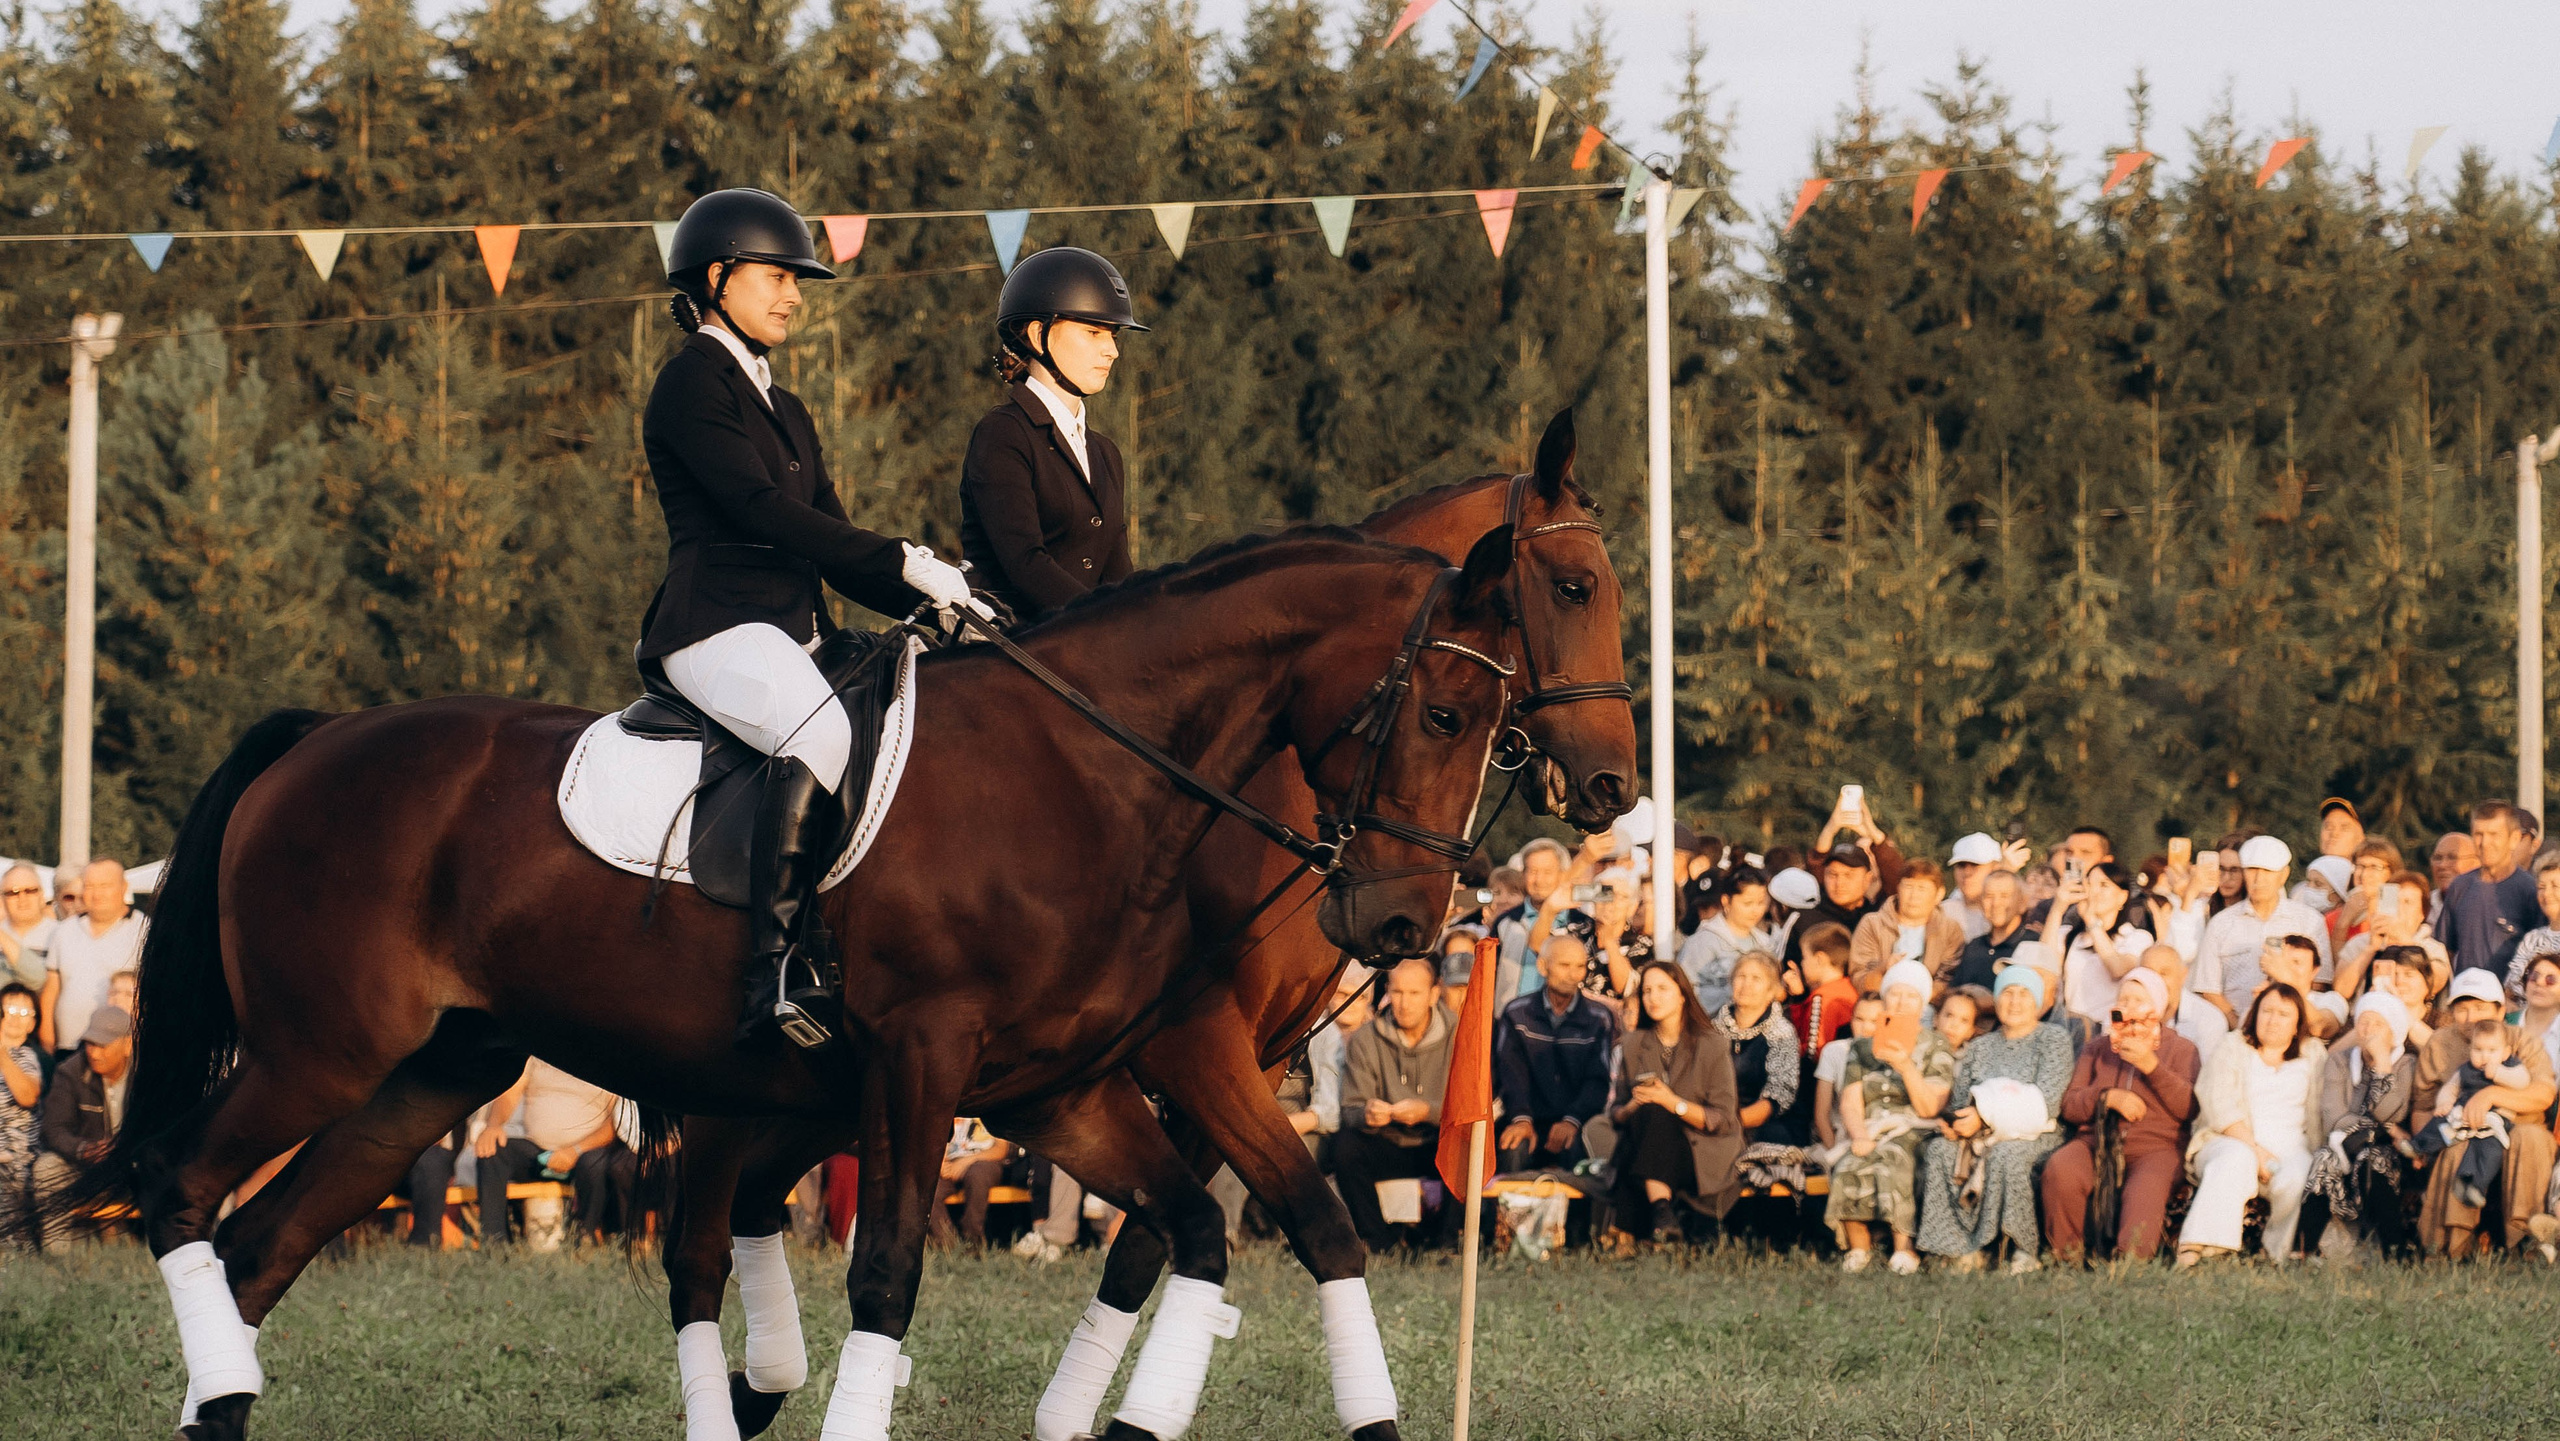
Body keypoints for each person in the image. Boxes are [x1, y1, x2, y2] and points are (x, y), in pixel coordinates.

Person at [641, 187, 978, 1045]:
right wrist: (900, 555)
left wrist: (939, 603)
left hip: (795, 628)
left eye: (799, 280)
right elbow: (758, 510)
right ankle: (775, 968)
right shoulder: (689, 384)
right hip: (714, 626)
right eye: (777, 276)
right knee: (819, 734)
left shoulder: (785, 408)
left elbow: (828, 533)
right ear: (718, 278)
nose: (794, 294)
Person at [959, 247, 1143, 622]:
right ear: (1037, 335)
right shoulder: (1003, 435)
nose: (1112, 351)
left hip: (1080, 647)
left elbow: (1117, 573)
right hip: (1008, 647)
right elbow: (1026, 564)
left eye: (1113, 336)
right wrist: (1104, 625)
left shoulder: (1105, 453)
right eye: (1093, 332)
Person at [1917, 966, 2074, 1272]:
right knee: (1939, 1151)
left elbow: (2048, 1103)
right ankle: (1957, 1247)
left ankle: (2022, 1247)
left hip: (2038, 1135)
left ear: (2038, 1002)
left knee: (2007, 1154)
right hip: (1979, 1135)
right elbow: (1962, 1100)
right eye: (2007, 993)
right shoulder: (1980, 1046)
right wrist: (1955, 1123)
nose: (2014, 1002)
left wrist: (1984, 1116)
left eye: (2024, 994)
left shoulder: (2053, 1040)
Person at [2039, 970, 2201, 1263]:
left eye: (2139, 999)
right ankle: (2068, 1259)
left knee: (2145, 1193)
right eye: (2123, 998)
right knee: (2061, 1169)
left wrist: (2152, 1066)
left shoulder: (2182, 1048)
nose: (2129, 1005)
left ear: (2160, 1005)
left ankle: (2129, 1268)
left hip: (2157, 1147)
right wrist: (2107, 1098)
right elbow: (2071, 1105)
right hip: (2097, 1142)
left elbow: (2189, 1107)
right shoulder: (2098, 1048)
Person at [2411, 969, 2558, 1257]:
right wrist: (2422, 1146)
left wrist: (2490, 1094)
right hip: (2464, 1127)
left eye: (2480, 1008)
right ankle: (2450, 1248)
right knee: (2456, 1149)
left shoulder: (2522, 1040)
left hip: (2519, 1123)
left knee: (2530, 1141)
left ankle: (2526, 1243)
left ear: (2500, 1010)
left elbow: (2543, 1093)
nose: (2471, 1017)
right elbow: (2423, 1104)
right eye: (2462, 1009)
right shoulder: (2440, 1043)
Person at [2177, 982, 2326, 1265]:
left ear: (2297, 1025)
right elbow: (2218, 1103)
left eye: (2283, 1014)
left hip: (2292, 1146)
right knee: (2236, 1158)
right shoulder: (2232, 1045)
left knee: (2300, 1175)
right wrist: (2256, 1151)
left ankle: (2275, 1255)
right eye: (2266, 1011)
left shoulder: (2314, 1055)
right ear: (2254, 1014)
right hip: (2229, 1139)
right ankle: (2197, 1249)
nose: (2272, 1020)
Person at [1825, 961, 1956, 1274]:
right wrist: (1858, 1135)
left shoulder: (1936, 1043)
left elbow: (1930, 1107)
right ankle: (1859, 1248)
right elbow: (1851, 1102)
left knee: (1895, 1159)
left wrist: (1905, 1066)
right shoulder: (1862, 1046)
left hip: (1915, 1126)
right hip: (1869, 1127)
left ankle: (1904, 1248)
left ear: (1922, 1002)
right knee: (1850, 1163)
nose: (1901, 1002)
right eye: (1895, 994)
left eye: (1910, 996)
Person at [1601, 961, 1740, 1250]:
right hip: (1648, 1143)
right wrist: (1631, 1109)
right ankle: (1662, 1212)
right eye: (1647, 991)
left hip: (1701, 1147)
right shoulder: (1633, 1043)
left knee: (1657, 1113)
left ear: (1682, 994)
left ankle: (1626, 1228)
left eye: (1663, 988)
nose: (1653, 997)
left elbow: (1724, 1119)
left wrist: (1673, 1103)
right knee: (1648, 1114)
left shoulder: (1711, 1043)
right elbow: (1615, 1112)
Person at [1336, 958, 1457, 1250]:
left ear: (1433, 994)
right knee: (1346, 1147)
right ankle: (1379, 1240)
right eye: (1398, 992)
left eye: (1414, 993)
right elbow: (1350, 1109)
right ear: (1387, 991)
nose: (1404, 1003)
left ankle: (1447, 1241)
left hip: (1437, 1142)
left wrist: (1429, 1111)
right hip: (1388, 1141)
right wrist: (1367, 1113)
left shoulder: (1459, 1034)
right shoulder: (1367, 1038)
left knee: (1464, 1147)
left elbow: (1472, 1108)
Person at [2298, 990, 2418, 1261]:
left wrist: (2383, 1065)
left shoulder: (2406, 1064)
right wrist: (2382, 1128)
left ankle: (2394, 1251)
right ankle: (2303, 1250)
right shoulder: (2339, 1061)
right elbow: (2333, 1118)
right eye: (2363, 1022)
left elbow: (2390, 1111)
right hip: (2341, 1147)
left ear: (2394, 1031)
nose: (2368, 1030)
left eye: (2378, 1024)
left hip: (2388, 1155)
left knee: (2373, 1157)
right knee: (2323, 1158)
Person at [474, 1059, 636, 1245]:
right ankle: (495, 1241)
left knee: (594, 1163)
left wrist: (574, 1151)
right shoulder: (536, 1055)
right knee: (492, 1151)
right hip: (538, 1151)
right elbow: (509, 1095)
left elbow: (613, 1123)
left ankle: (584, 1237)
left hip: (586, 1152)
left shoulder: (605, 1059)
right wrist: (494, 1125)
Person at [1492, 937, 1615, 1174]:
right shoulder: (1517, 1013)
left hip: (1578, 1121)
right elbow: (1510, 1074)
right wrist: (1522, 1118)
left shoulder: (1599, 1017)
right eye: (1565, 965)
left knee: (1580, 1152)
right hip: (1528, 1118)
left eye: (1579, 966)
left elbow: (1597, 1080)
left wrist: (1572, 1120)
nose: (1573, 974)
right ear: (1542, 966)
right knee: (1513, 1147)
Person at [2194, 836, 2330, 1028]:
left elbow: (2319, 983)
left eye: (2267, 871)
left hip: (2294, 1032)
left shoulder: (2309, 921)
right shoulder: (2221, 923)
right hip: (2235, 1031)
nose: (2258, 879)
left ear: (2283, 875)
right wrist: (2242, 1029)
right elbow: (2209, 989)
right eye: (2252, 870)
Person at [33, 1006, 130, 1253]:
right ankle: (57, 1256)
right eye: (90, 1043)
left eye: (103, 1044)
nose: (94, 1053)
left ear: (127, 1045)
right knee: (46, 1168)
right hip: (86, 1167)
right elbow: (53, 1128)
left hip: (136, 1167)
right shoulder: (69, 1072)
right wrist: (82, 1149)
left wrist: (129, 1149)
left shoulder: (149, 1074)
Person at [2414, 1019, 2530, 1214]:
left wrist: (2499, 1073)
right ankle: (2418, 1146)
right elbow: (2451, 1087)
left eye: (2492, 1051)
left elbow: (2523, 1081)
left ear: (2505, 1052)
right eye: (2478, 1050)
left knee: (2488, 1152)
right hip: (2463, 1117)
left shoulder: (2510, 1066)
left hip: (2493, 1123)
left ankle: (2475, 1185)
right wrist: (2444, 1102)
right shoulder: (2466, 1069)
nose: (2484, 1056)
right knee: (2440, 1125)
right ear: (2471, 1050)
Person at [37, 859, 143, 1060]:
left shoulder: (144, 930)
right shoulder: (64, 931)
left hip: (119, 1050)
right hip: (67, 1047)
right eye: (90, 886)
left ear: (124, 887)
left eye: (105, 886)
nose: (96, 893)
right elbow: (51, 990)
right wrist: (47, 1036)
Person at [2437, 800, 2540, 983]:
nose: (2484, 843)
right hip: (2465, 1000)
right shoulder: (2460, 886)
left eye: (2494, 835)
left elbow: (2539, 955)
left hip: (2509, 1002)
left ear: (2514, 839)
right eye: (2478, 834)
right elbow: (2445, 950)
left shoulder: (2529, 890)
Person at [2052, 861, 2156, 1031]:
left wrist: (2091, 920)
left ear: (2123, 897)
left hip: (2108, 1031)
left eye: (2103, 885)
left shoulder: (2137, 938)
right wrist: (2058, 907)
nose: (2094, 891)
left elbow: (2118, 969)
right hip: (2068, 1028)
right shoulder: (2069, 935)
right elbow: (2043, 963)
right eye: (2089, 884)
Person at [1713, 953, 1801, 1144]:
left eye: (1756, 979)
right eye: (1741, 977)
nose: (1747, 985)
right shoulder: (1712, 1029)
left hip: (1762, 1126)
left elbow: (1778, 1097)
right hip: (1712, 1116)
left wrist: (1730, 1123)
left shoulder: (1781, 1032)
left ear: (1771, 991)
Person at [1849, 859, 1965, 996]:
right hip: (1878, 1002)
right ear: (1898, 888)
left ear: (1939, 894)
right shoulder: (1872, 924)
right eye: (1908, 886)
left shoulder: (1950, 929)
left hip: (1930, 1006)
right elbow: (1859, 977)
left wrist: (1915, 997)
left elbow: (1949, 980)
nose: (1913, 896)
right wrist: (1883, 968)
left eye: (1922, 888)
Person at [2334, 869, 2445, 1000]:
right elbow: (2340, 992)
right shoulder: (2360, 943)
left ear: (2422, 913)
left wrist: (2405, 941)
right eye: (2394, 901)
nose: (2399, 908)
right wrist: (2370, 949)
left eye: (2407, 902)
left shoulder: (2433, 949)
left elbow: (2436, 984)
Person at [1679, 866, 1775, 1016]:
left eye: (1760, 903)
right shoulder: (1703, 941)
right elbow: (1684, 990)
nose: (1755, 911)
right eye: (1747, 903)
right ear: (1726, 901)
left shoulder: (1765, 943)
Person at [933, 1117, 1018, 1248]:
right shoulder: (950, 1105)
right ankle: (948, 1245)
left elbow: (1002, 1149)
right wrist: (941, 1162)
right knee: (929, 1189)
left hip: (984, 1161)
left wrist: (966, 1162)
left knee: (977, 1176)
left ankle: (972, 1240)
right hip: (951, 1163)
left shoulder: (991, 1106)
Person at [0, 982, 40, 1247]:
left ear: (32, 1025)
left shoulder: (28, 1057)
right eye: (10, 1008)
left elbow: (27, 1096)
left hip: (14, 1156)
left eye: (24, 1012)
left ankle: (16, 1253)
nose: (15, 1016)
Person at [1948, 869, 2031, 992]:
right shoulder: (1974, 946)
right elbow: (1953, 991)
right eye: (1989, 897)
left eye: (2004, 896)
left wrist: (1985, 1003)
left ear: (2022, 902)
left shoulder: (2031, 945)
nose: (1996, 903)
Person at [2504, 852, 2560, 998]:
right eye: (2541, 887)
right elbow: (2510, 988)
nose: (2546, 894)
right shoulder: (2532, 939)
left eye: (2555, 886)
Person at [0, 863, 54, 991]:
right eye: (13, 893)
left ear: (41, 895)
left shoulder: (61, 934)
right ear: (2, 899)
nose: (22, 898)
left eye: (30, 891)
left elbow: (41, 980)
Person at [2430, 831, 2481, 925]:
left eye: (2452, 857)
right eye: (2437, 858)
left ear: (2477, 863)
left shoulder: (2492, 907)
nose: (2442, 865)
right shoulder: (2423, 907)